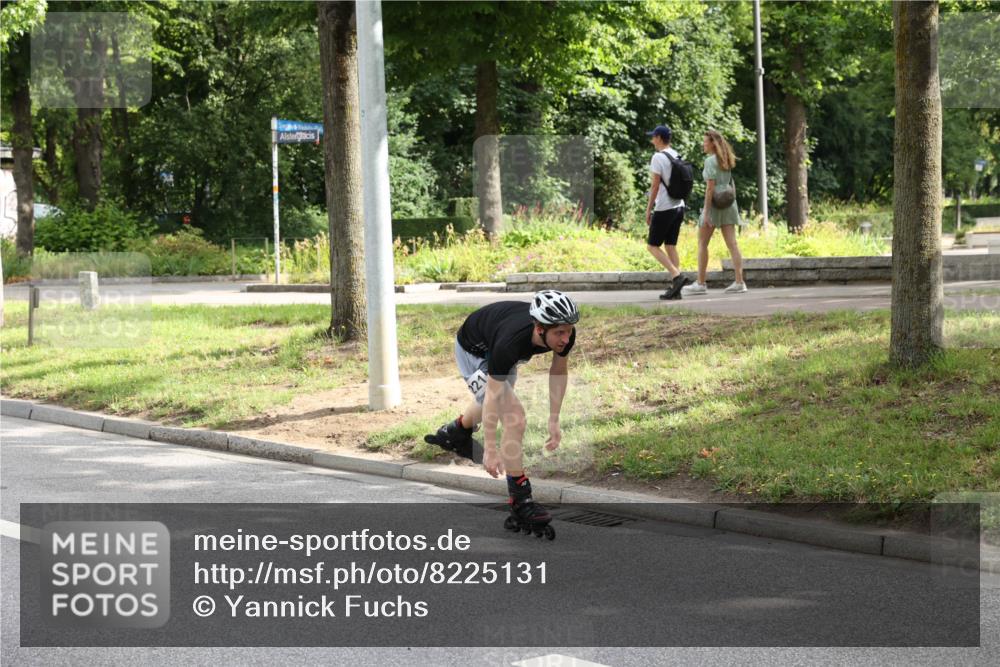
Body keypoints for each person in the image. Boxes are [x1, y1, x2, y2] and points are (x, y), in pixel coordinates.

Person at [425, 290, 578, 534]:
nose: (566, 338)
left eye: (569, 330)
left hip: (496, 340)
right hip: (472, 350)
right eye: (559, 332)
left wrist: (554, 419)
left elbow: (558, 372)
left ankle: (456, 432)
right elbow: (494, 397)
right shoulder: (510, 343)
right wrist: (490, 449)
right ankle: (521, 500)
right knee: (514, 416)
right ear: (539, 328)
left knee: (500, 402)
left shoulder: (563, 334)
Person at [682, 130, 748, 295]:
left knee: (703, 243)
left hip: (714, 203)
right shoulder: (725, 158)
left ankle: (701, 283)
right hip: (728, 202)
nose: (703, 144)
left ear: (713, 143)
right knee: (732, 244)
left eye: (705, 142)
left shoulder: (710, 161)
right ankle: (740, 282)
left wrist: (706, 211)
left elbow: (710, 187)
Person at [644, 125, 693, 300]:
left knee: (652, 246)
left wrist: (649, 209)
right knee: (670, 245)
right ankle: (676, 289)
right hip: (679, 205)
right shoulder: (675, 154)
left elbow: (655, 185)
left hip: (664, 207)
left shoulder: (658, 157)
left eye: (653, 137)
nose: (651, 140)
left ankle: (676, 276)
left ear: (658, 138)